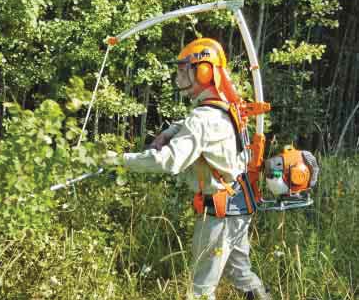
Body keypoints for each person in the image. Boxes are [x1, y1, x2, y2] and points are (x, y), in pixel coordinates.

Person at [106, 38, 271, 300]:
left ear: (203, 72)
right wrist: (171, 131)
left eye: (183, 70)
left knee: (200, 291)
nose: (178, 76)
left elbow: (168, 161)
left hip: (219, 215)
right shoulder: (227, 107)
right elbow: (195, 124)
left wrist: (118, 160)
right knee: (241, 273)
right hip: (239, 204)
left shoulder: (203, 118)